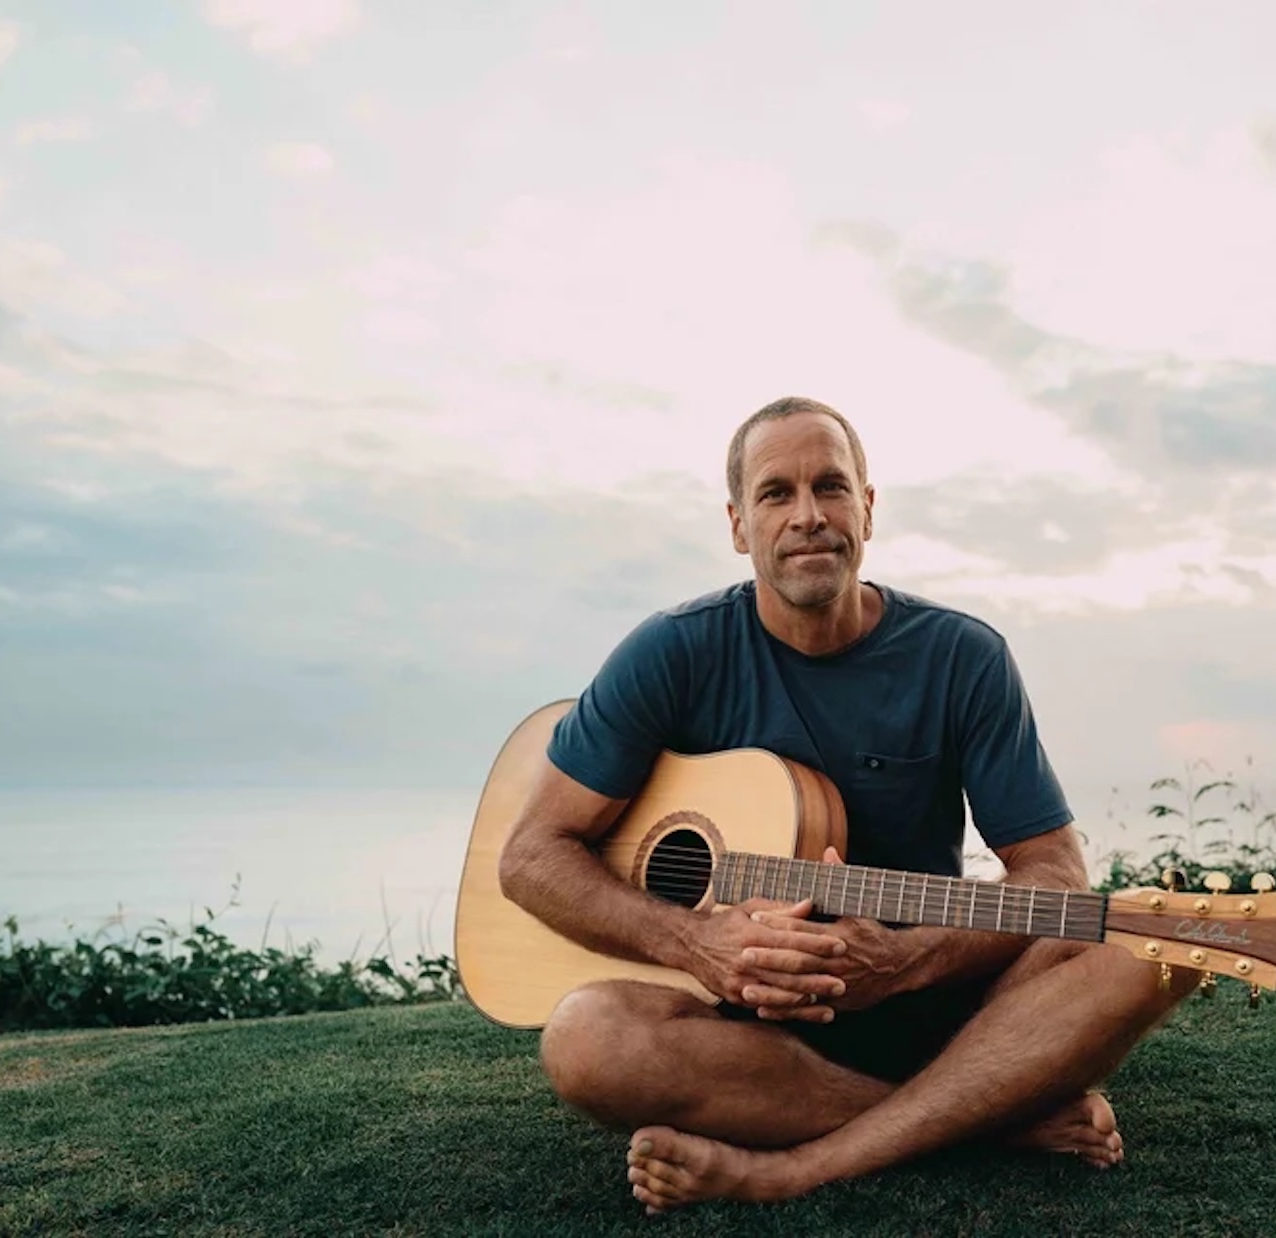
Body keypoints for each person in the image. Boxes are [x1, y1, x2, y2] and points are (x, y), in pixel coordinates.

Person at [497, 396, 1197, 1213]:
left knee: (1163, 942)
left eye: (830, 487)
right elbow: (531, 856)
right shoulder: (673, 652)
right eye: (776, 493)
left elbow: (1055, 873)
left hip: (939, 1003)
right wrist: (696, 942)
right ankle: (985, 1116)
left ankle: (805, 1158)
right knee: (587, 1040)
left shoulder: (962, 656)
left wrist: (904, 962)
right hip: (748, 1032)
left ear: (866, 508)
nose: (808, 516)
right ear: (738, 525)